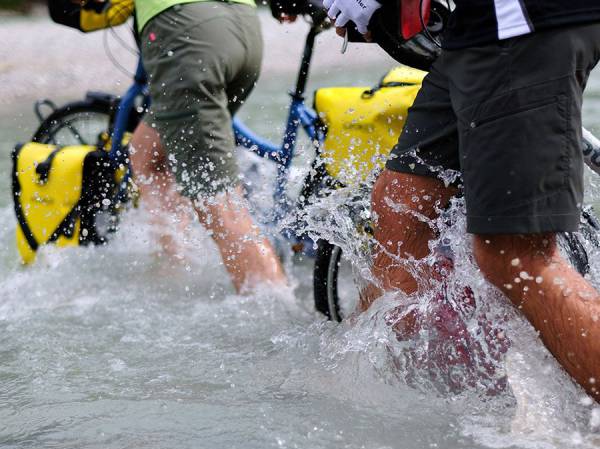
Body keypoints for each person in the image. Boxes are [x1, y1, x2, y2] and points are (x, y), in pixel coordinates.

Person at [324, 0, 600, 399]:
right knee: (402, 206)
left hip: (517, 23)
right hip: (476, 30)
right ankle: (362, 388)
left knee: (516, 255)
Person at [129, 0, 299, 291]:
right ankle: (175, 270)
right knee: (148, 153)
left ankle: (274, 313)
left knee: (220, 203)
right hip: (242, 27)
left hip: (184, 32)